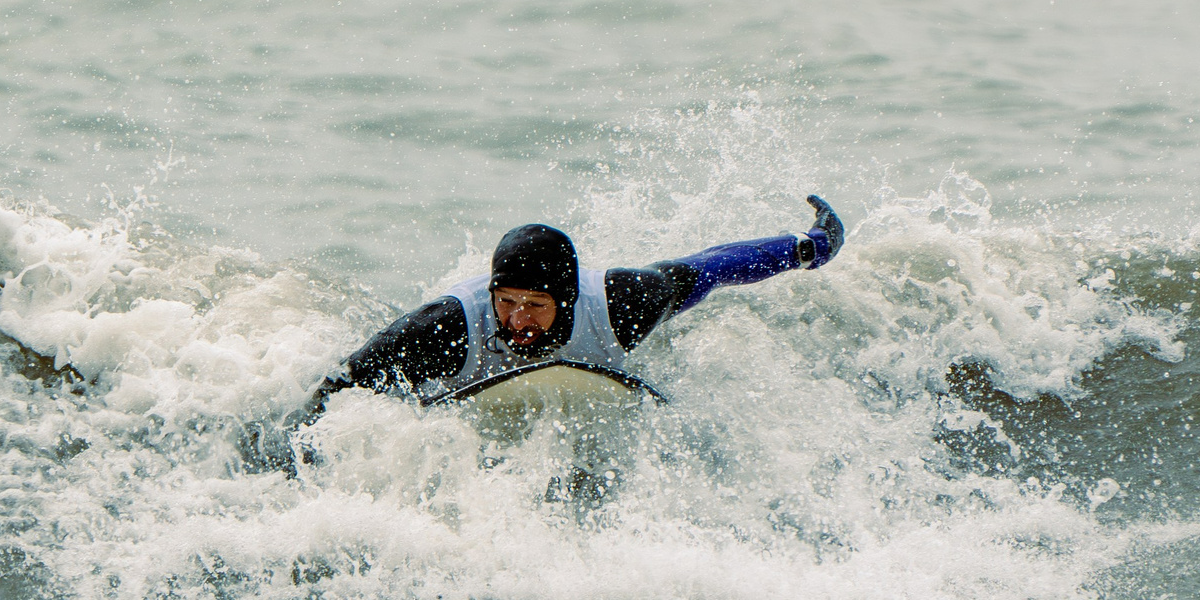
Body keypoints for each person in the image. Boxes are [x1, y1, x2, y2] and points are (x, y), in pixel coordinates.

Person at [300, 196, 846, 416]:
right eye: (506, 301)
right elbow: (339, 385)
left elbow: (710, 268)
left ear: (566, 299)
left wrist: (812, 247)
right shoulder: (445, 326)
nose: (518, 319)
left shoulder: (623, 303)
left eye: (536, 305)